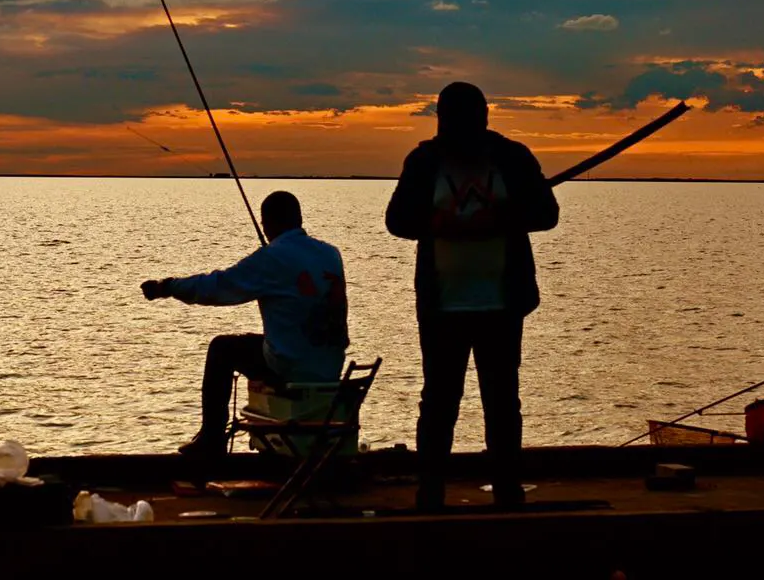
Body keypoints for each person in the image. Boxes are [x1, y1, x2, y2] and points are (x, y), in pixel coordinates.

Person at [386, 81, 559, 510]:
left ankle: (507, 490)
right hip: (442, 305)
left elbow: (547, 213)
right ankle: (430, 493)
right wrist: (437, 223)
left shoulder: (512, 158)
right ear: (441, 121)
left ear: (484, 119)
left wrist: (504, 216)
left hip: (503, 303)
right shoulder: (425, 161)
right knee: (440, 400)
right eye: (452, 120)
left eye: (468, 119)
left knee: (502, 399)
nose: (460, 128)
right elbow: (397, 220)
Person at [141, 190, 349, 459]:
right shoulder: (331, 254)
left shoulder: (272, 258)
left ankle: (212, 440)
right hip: (330, 368)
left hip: (292, 368)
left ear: (268, 223)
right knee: (268, 340)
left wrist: (167, 287)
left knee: (222, 348)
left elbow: (218, 287)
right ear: (298, 219)